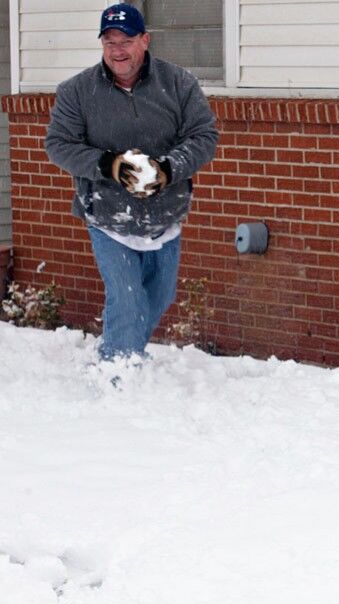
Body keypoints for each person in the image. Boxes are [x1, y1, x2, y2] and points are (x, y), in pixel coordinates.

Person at [45, 3, 218, 360]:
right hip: (107, 215)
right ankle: (118, 377)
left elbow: (203, 136)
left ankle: (121, 350)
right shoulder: (77, 91)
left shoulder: (179, 84)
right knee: (127, 296)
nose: (117, 50)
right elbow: (58, 145)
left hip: (164, 213)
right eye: (109, 41)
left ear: (145, 40)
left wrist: (167, 169)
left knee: (158, 296)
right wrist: (109, 165)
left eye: (125, 40)